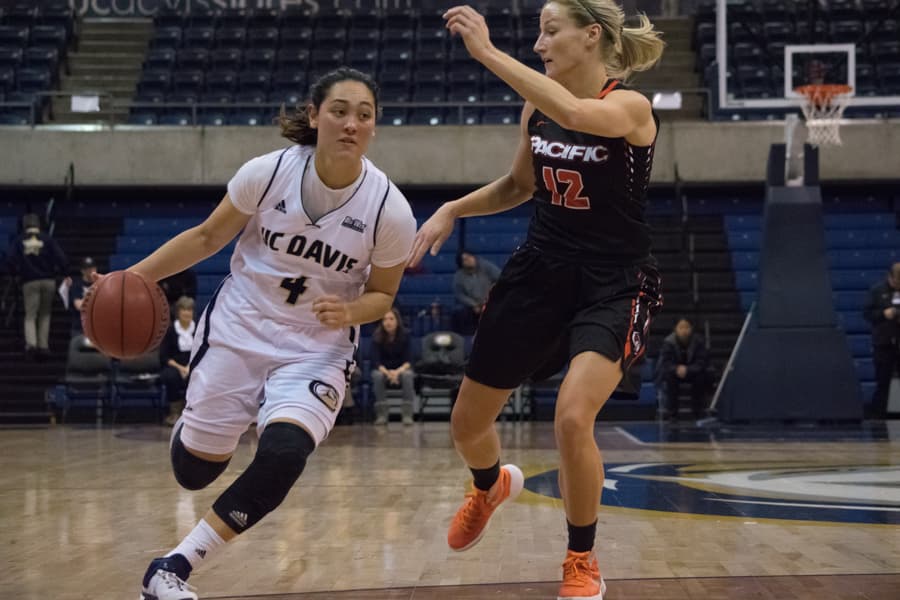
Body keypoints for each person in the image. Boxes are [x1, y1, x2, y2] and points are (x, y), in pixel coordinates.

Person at [112, 68, 416, 600]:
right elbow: (207, 236)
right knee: (193, 474)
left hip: (315, 349)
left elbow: (383, 296)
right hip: (240, 328)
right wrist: (134, 278)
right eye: (340, 111)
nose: (351, 123)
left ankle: (173, 568)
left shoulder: (389, 209)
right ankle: (203, 424)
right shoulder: (268, 172)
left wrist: (349, 314)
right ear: (315, 114)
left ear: (375, 127)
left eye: (364, 115)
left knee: (282, 455)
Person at [409, 4, 664, 599]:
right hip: (539, 273)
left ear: (590, 36)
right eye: (539, 31)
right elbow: (519, 187)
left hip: (614, 282)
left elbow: (576, 111)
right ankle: (490, 484)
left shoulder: (629, 106)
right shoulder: (535, 110)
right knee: (468, 424)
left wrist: (488, 54)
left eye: (551, 31)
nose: (539, 42)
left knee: (573, 417)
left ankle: (580, 559)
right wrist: (452, 208)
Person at [6, 213, 67, 360]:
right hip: (48, 280)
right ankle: (43, 345)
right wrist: (64, 272)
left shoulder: (19, 240)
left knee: (30, 315)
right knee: (45, 314)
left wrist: (15, 273)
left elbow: (10, 259)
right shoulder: (48, 239)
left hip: (29, 281)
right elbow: (61, 258)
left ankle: (31, 345)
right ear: (38, 225)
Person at [863, 262, 900, 419]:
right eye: (897, 282)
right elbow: (867, 314)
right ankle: (879, 415)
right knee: (883, 380)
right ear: (890, 277)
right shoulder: (877, 291)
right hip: (884, 342)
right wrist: (883, 314)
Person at [654, 317, 709, 420]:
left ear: (691, 328)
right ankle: (672, 413)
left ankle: (697, 412)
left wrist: (687, 369)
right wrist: (676, 369)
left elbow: (702, 362)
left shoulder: (698, 342)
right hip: (675, 373)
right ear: (675, 329)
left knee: (701, 377)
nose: (684, 330)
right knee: (669, 378)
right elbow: (665, 363)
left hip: (692, 372)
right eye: (681, 327)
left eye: (687, 327)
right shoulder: (668, 342)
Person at [370, 306, 416, 425]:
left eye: (391, 319)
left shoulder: (406, 335)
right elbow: (376, 362)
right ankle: (382, 415)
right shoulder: (376, 337)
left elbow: (409, 360)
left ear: (397, 321)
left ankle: (407, 414)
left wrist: (397, 372)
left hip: (401, 370)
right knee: (377, 376)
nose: (388, 322)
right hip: (383, 371)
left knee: (408, 375)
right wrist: (388, 373)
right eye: (385, 319)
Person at [159, 295, 196, 426]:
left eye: (189, 310)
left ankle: (192, 412)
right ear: (178, 312)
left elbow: (202, 353)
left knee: (197, 376)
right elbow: (164, 356)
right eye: (184, 310)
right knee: (171, 376)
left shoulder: (198, 329)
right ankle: (175, 412)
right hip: (174, 365)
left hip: (193, 365)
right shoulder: (170, 331)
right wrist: (181, 368)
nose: (187, 313)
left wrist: (189, 367)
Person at [452, 250, 500, 334]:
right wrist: (474, 304)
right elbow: (460, 295)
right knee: (460, 312)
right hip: (472, 306)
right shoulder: (459, 276)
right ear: (461, 264)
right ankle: (468, 338)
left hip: (490, 301)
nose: (470, 260)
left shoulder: (485, 266)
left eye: (470, 257)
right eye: (465, 259)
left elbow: (500, 277)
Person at [67, 256, 98, 336]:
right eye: (88, 269)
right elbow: (79, 306)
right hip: (79, 328)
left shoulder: (100, 284)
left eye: (93, 268)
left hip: (96, 327)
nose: (91, 271)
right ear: (82, 270)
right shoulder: (77, 285)